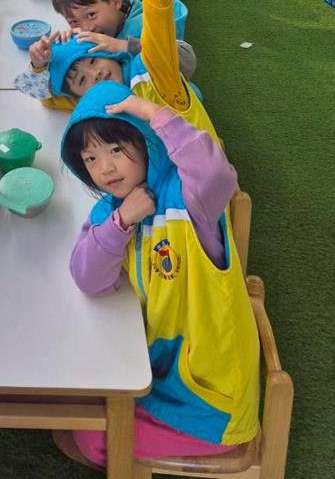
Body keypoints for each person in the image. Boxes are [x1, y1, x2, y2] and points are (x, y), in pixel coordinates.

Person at [59, 82, 259, 465]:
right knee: (81, 401)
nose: (105, 168)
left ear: (146, 141)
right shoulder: (113, 209)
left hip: (211, 401)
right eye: (90, 158)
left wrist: (153, 114)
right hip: (164, 374)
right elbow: (88, 278)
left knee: (91, 436)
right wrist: (121, 222)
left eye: (116, 149)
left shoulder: (188, 196)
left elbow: (217, 175)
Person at [15, 0, 207, 136]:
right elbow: (46, 95)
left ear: (115, 0)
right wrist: (41, 64)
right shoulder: (89, 48)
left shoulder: (145, 21)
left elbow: (186, 62)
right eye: (73, 21)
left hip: (180, 116)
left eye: (91, 15)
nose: (86, 27)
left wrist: (125, 46)